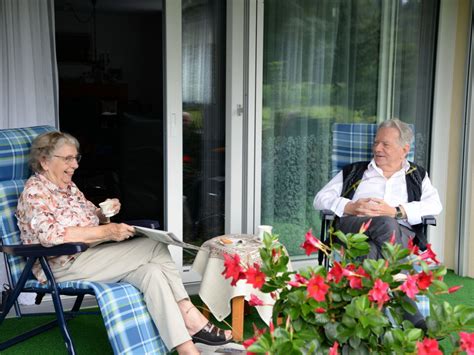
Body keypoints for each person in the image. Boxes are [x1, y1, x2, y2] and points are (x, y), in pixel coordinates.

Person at [16, 131, 232, 355]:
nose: (75, 165)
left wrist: (104, 212)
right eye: (68, 159)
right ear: (44, 161)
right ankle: (190, 315)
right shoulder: (35, 192)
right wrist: (106, 231)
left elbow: (91, 217)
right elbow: (50, 235)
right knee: (154, 245)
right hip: (62, 265)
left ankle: (187, 349)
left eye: (76, 158)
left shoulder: (68, 188)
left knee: (153, 272)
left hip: (91, 257)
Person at [313, 118, 442, 329]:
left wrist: (397, 211)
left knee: (373, 247)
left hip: (400, 232)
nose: (377, 148)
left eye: (385, 144)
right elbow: (320, 199)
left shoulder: (417, 175)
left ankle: (368, 319)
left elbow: (435, 205)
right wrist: (350, 206)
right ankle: (408, 309)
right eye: (376, 143)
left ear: (404, 149)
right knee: (384, 223)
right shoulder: (355, 171)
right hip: (354, 227)